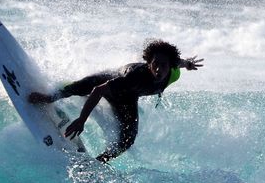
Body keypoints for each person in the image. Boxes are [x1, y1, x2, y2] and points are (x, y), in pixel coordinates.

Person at [29, 39, 203, 163]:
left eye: (163, 65)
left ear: (170, 66)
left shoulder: (173, 72)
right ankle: (50, 97)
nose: (158, 69)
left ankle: (100, 161)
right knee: (84, 85)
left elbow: (177, 62)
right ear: (148, 62)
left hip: (127, 98)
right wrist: (81, 120)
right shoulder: (136, 77)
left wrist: (188, 64)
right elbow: (99, 90)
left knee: (127, 140)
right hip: (112, 81)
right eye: (155, 63)